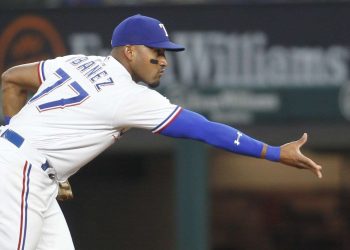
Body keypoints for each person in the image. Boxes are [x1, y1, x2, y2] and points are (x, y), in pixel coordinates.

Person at [0, 14, 322, 249]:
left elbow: (11, 79)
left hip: (28, 168)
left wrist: (19, 136)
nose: (163, 60)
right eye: (156, 50)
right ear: (129, 51)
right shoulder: (128, 95)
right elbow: (205, 130)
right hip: (20, 173)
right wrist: (275, 153)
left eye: (165, 52)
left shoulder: (76, 62)